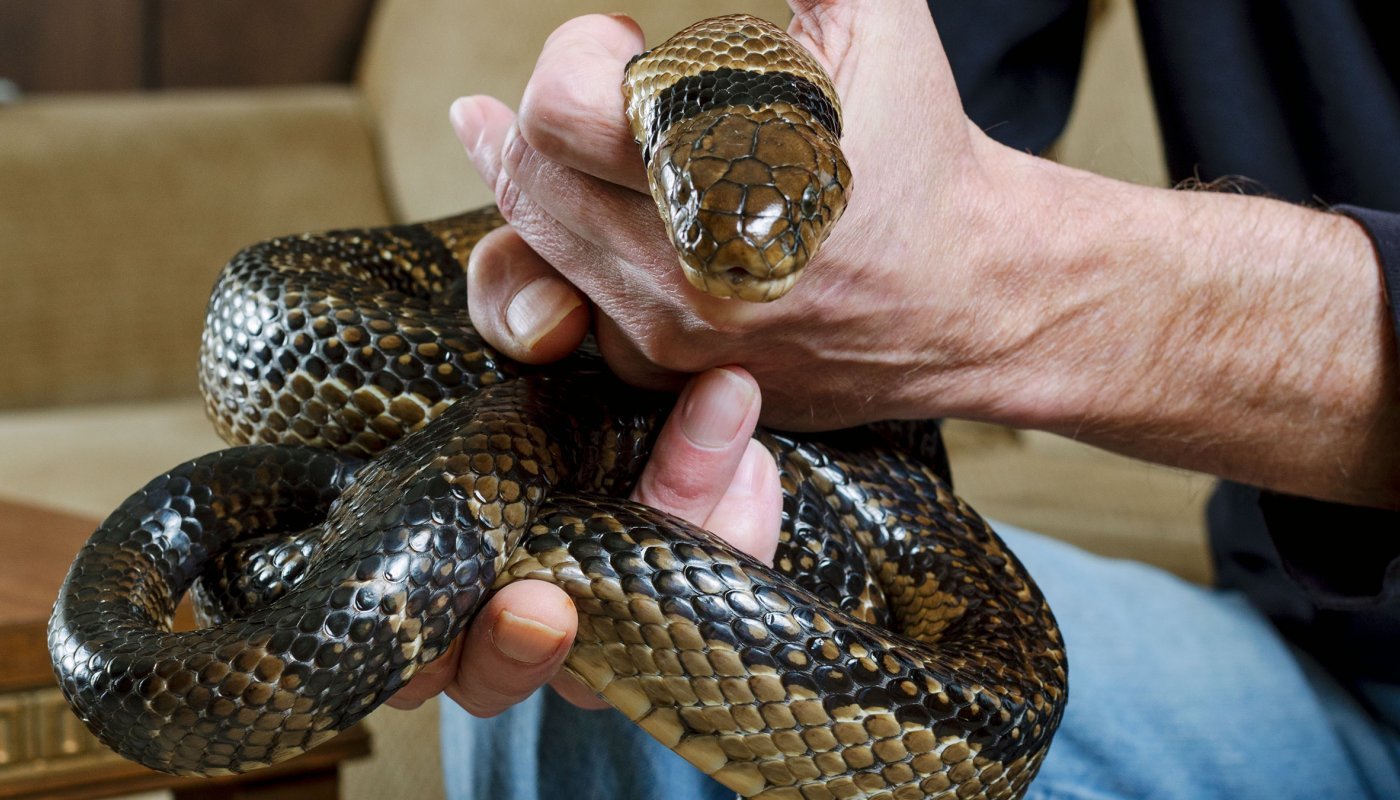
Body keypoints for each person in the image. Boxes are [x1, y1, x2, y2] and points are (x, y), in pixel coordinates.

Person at [388, 1, 1400, 797]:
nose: (746, 262)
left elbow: (949, 246)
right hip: (1312, 664)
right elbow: (912, 101)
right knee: (586, 609)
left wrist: (1009, 291)